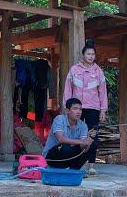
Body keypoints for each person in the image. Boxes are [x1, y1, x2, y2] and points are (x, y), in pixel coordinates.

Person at [63, 38, 108, 176]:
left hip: (93, 108)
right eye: (88, 54)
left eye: (93, 55)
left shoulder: (98, 71)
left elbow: (103, 92)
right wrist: (67, 107)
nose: (91, 57)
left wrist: (103, 110)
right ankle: (71, 162)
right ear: (83, 55)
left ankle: (91, 165)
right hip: (76, 107)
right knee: (72, 134)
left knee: (92, 135)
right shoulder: (74, 69)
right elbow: (67, 89)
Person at [42, 98, 93, 170]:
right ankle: (56, 168)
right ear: (67, 111)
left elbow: (83, 148)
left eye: (80, 109)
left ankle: (73, 170)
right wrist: (82, 141)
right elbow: (61, 139)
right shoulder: (59, 119)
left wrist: (87, 143)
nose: (78, 112)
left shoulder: (83, 125)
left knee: (92, 145)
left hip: (69, 155)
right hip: (52, 156)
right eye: (75, 109)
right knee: (66, 147)